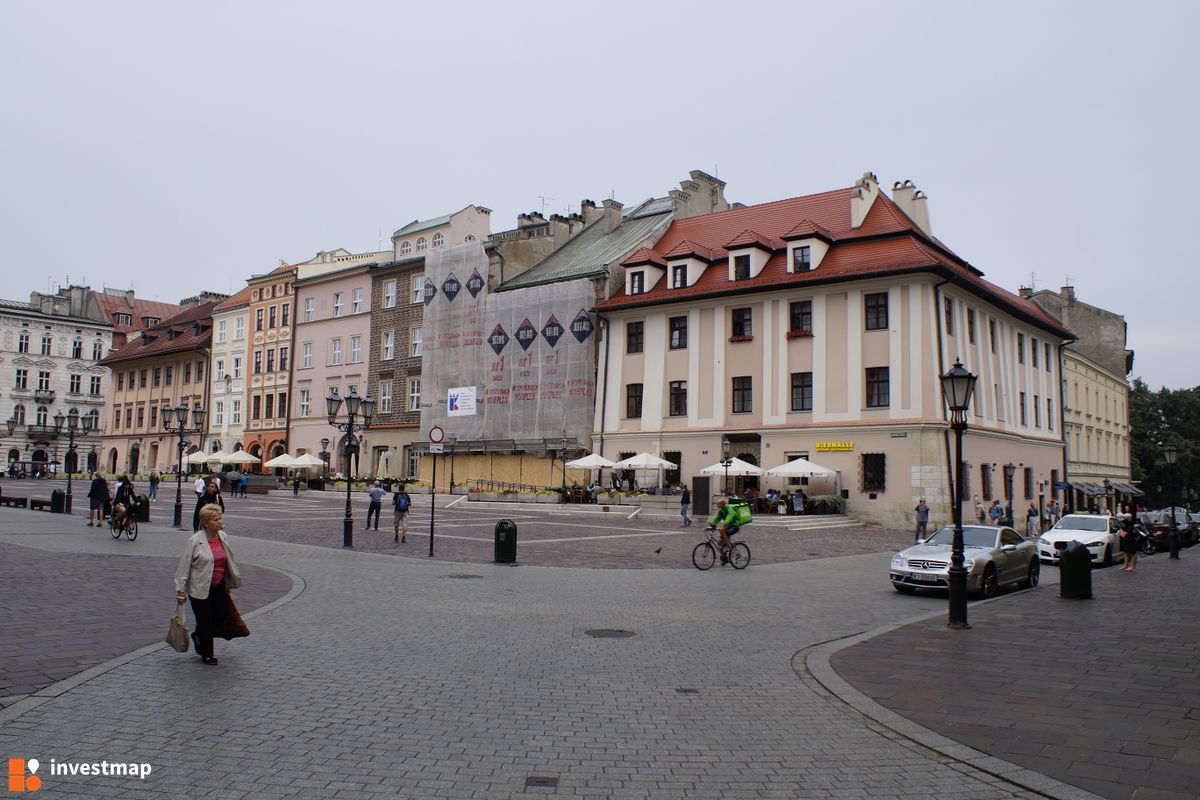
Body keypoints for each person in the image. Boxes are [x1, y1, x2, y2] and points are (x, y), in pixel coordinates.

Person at [175, 504, 244, 665]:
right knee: (205, 620)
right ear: (206, 523)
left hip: (218, 585)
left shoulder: (223, 537)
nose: (220, 522)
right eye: (216, 519)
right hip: (199, 587)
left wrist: (228, 582)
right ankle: (207, 654)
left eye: (220, 518)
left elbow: (228, 561)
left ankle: (198, 635)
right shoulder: (195, 541)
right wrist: (180, 590)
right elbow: (184, 566)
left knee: (218, 616)